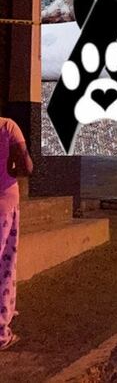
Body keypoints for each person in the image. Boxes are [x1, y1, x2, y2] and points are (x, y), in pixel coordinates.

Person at [1, 117, 33, 351]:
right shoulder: (7, 126)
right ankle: (2, 331)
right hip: (4, 204)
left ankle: (7, 309)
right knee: (5, 264)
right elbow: (26, 167)